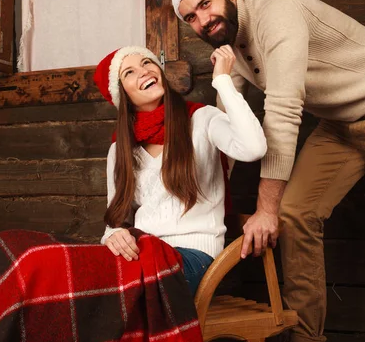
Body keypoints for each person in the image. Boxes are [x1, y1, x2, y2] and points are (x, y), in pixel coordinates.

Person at [171, 0, 365, 342]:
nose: (202, 20)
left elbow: (283, 112)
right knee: (297, 213)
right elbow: (231, 117)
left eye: (206, 4)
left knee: (276, 210)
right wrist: (199, 179)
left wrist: (264, 209)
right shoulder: (231, 46)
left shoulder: (277, 10)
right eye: (190, 17)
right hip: (340, 124)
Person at [93, 44, 267, 296]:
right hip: (142, 256)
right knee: (82, 278)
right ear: (121, 95)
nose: (143, 71)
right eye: (129, 72)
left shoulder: (202, 119)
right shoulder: (120, 149)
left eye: (146, 62)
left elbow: (253, 148)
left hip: (195, 256)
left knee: (130, 290)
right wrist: (114, 234)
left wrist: (223, 81)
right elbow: (116, 218)